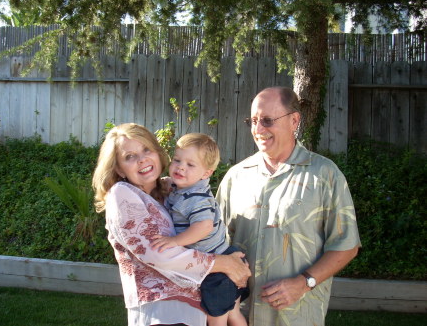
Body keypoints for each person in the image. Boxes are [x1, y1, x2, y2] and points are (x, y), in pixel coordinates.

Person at [216, 86, 361, 326]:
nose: (258, 129)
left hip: (297, 316)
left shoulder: (324, 175)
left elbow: (346, 245)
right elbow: (214, 240)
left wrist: (304, 283)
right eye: (253, 121)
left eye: (267, 120)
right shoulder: (236, 176)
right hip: (239, 316)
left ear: (294, 121)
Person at [92, 123, 251, 326]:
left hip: (194, 310)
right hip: (161, 312)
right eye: (129, 157)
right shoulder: (122, 194)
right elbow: (157, 253)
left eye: (146, 150)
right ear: (119, 169)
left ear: (158, 153)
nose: (142, 160)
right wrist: (223, 263)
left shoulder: (172, 190)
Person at [150, 133, 249, 326]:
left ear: (206, 173)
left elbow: (204, 226)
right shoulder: (184, 189)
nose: (180, 167)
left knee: (216, 318)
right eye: (177, 160)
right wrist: (167, 182)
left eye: (190, 165)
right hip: (221, 257)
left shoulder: (197, 198)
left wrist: (175, 241)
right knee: (233, 313)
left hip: (218, 269)